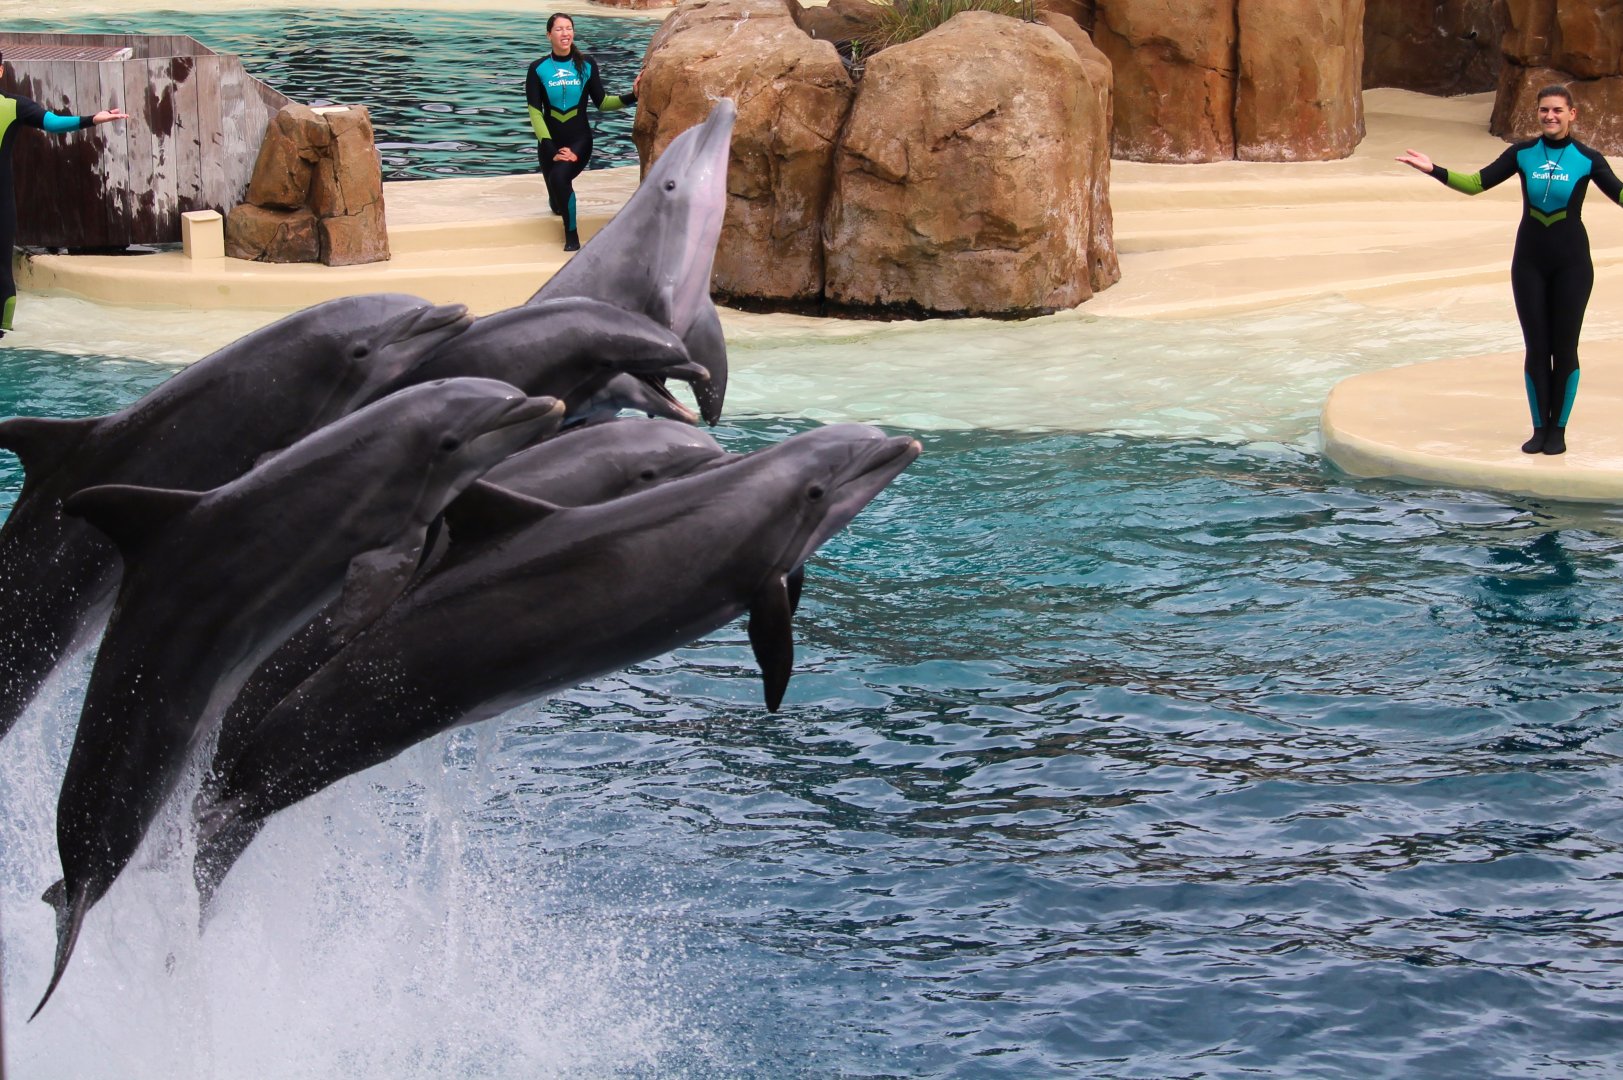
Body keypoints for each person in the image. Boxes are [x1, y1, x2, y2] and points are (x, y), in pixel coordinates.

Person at [1398, 85, 1623, 456]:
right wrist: (1433, 169)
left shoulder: (1588, 158)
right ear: (1537, 114)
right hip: (1529, 264)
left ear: (1572, 114)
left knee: (1565, 348)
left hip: (1573, 265)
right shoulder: (1522, 154)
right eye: (1544, 110)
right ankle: (1538, 428)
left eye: (1557, 110)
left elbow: (1619, 194)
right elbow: (1475, 184)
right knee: (1537, 348)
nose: (1550, 116)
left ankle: (1558, 430)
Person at [0, 52, 129, 338]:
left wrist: (93, 119)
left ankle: (3, 334)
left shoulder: (13, 105)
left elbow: (53, 123)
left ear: (0, 71)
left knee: (1, 270)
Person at [525, 13, 638, 252]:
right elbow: (535, 113)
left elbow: (603, 103)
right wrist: (551, 149)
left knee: (559, 178)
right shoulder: (537, 69)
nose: (565, 33)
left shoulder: (586, 64)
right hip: (550, 144)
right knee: (556, 204)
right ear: (549, 35)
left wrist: (633, 96)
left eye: (569, 28)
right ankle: (558, 201)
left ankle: (572, 238)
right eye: (559, 29)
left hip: (579, 139)